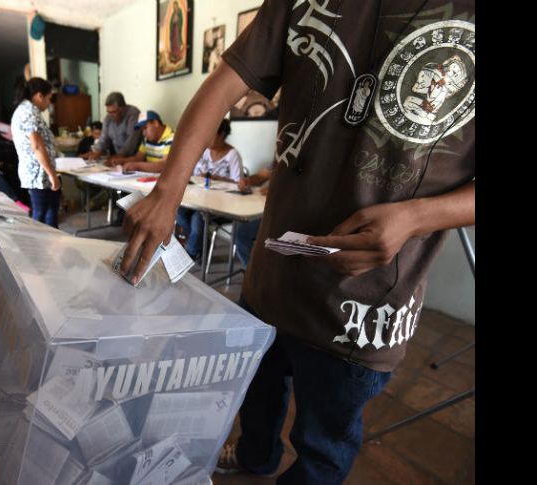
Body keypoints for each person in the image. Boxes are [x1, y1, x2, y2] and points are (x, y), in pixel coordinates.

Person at [118, 1, 475, 483]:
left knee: (323, 444)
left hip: (364, 304)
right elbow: (225, 83)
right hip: (272, 277)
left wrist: (415, 216)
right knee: (257, 395)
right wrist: (167, 191)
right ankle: (254, 458)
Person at [175, 119, 243, 260]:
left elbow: (239, 184)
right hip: (198, 198)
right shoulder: (204, 152)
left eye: (211, 136)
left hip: (220, 203)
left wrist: (219, 178)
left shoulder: (232, 155)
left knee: (197, 218)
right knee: (177, 211)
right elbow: (193, 175)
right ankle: (199, 243)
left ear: (222, 134)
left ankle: (190, 254)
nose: (207, 140)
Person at [11, 77, 62, 228]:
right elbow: (37, 147)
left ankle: (53, 245)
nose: (49, 103)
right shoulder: (28, 112)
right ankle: (36, 248)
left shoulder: (28, 110)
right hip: (38, 174)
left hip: (41, 172)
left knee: (50, 210)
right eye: (49, 98)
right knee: (40, 215)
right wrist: (52, 175)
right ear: (39, 96)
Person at [234, 164, 275, 266]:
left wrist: (276, 190)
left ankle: (253, 273)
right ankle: (253, 272)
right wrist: (248, 180)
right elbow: (261, 177)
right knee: (241, 231)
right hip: (267, 209)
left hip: (290, 213)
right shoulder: (281, 157)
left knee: (242, 233)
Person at [110, 110, 175, 173]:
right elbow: (138, 158)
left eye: (145, 128)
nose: (144, 133)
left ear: (156, 123)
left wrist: (138, 166)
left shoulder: (172, 139)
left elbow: (163, 165)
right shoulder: (147, 139)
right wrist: (122, 161)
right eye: (142, 130)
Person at [87, 92, 143, 162]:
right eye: (108, 112)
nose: (110, 116)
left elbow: (131, 143)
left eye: (113, 112)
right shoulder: (108, 118)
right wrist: (97, 152)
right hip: (118, 159)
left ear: (122, 109)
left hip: (134, 159)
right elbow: (104, 139)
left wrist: (116, 158)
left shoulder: (133, 115)